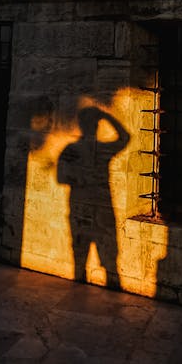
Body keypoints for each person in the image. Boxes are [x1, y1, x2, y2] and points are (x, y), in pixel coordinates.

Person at [57, 105, 130, 286]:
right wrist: (82, 179)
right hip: (81, 208)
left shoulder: (103, 149)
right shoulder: (73, 150)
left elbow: (125, 138)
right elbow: (61, 177)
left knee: (110, 260)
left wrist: (106, 116)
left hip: (101, 210)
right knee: (80, 257)